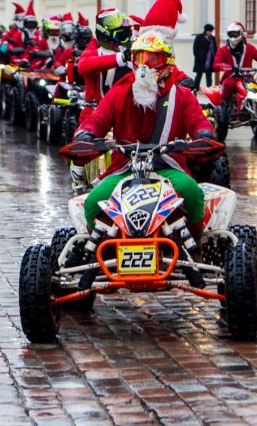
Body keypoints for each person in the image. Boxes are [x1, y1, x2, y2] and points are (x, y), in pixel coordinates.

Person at [72, 30, 217, 287]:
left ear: (167, 62)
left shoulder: (181, 96)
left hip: (167, 166)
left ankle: (194, 248)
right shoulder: (119, 92)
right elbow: (97, 119)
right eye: (139, 58)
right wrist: (85, 133)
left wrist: (203, 133)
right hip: (124, 168)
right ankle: (101, 252)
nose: (144, 66)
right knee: (93, 202)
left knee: (192, 192)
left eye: (153, 59)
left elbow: (198, 121)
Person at [214, 22, 257, 104]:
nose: (233, 37)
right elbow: (216, 64)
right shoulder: (223, 50)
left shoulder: (249, 48)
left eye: (235, 34)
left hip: (247, 79)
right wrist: (224, 66)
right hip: (231, 78)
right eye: (231, 34)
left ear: (241, 34)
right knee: (229, 85)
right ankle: (224, 107)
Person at [192, 23, 216, 89]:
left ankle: (209, 89)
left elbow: (215, 48)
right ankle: (195, 88)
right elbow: (195, 48)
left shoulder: (212, 38)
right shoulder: (199, 37)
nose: (209, 33)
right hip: (201, 60)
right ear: (205, 31)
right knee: (199, 75)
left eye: (211, 31)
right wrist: (198, 56)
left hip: (210, 60)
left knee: (209, 76)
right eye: (208, 31)